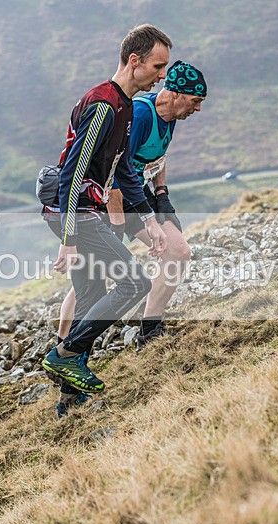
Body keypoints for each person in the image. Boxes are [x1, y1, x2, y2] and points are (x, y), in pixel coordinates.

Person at [41, 24, 169, 401]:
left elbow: (125, 168)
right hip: (76, 212)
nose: (162, 76)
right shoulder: (102, 104)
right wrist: (68, 240)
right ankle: (64, 356)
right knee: (135, 283)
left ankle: (69, 397)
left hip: (82, 211)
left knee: (91, 293)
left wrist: (148, 218)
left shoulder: (126, 106)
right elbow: (72, 173)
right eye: (158, 66)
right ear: (134, 61)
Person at [57, 61, 205, 382]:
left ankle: (150, 329)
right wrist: (117, 220)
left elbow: (159, 156)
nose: (196, 109)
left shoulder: (171, 116)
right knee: (90, 280)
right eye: (195, 102)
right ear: (177, 94)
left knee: (178, 252)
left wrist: (162, 195)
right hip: (115, 199)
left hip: (140, 197)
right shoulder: (139, 114)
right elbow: (115, 167)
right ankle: (64, 347)